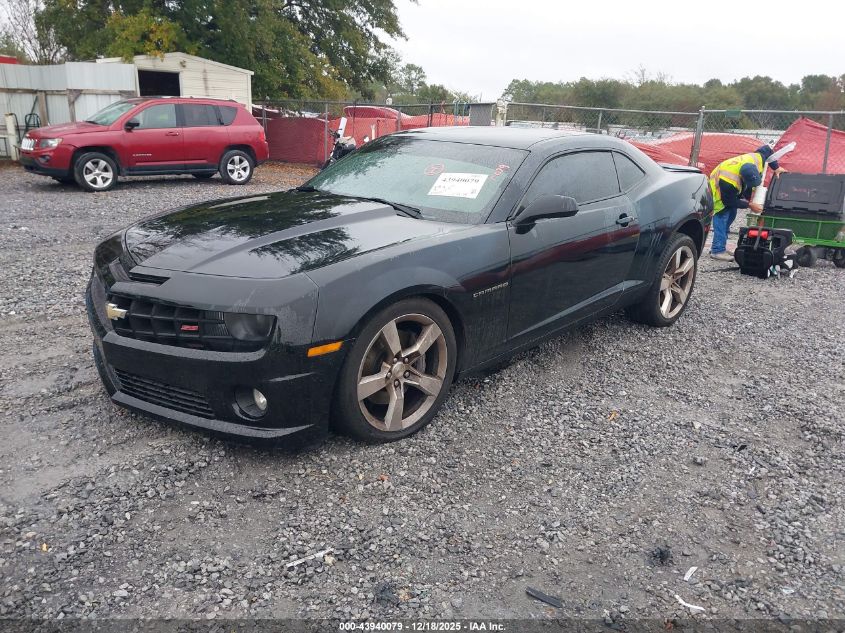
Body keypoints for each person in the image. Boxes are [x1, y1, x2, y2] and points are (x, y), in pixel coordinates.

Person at [708, 145, 787, 261]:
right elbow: (728, 201)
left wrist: (776, 167)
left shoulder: (758, 158)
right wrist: (749, 205)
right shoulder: (729, 182)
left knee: (731, 215)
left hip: (731, 187)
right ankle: (717, 250)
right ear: (742, 178)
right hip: (719, 188)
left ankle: (720, 246)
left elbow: (768, 150)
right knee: (722, 216)